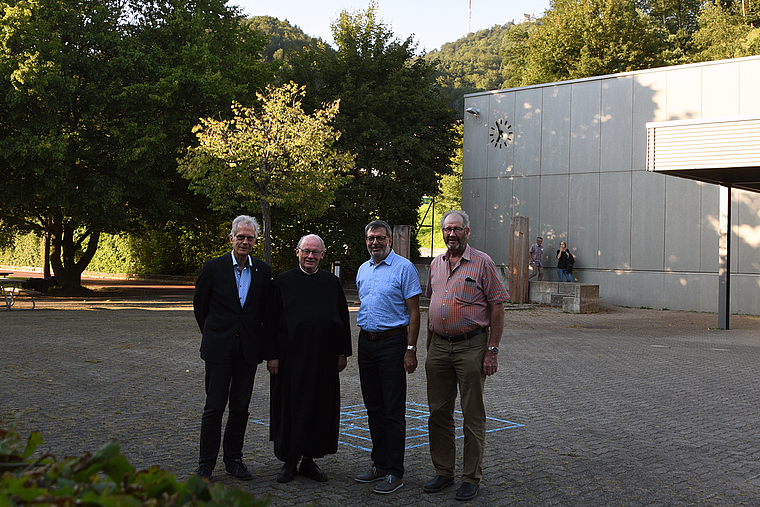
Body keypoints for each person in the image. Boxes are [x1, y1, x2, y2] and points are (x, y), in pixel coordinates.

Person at [424, 210, 509, 501]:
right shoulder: (435, 264)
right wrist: (428, 345)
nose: (451, 234)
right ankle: (443, 471)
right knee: (438, 411)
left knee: (472, 414)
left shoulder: (482, 262)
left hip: (471, 347)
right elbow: (432, 304)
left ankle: (471, 477)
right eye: (447, 229)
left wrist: (492, 350)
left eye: (457, 229)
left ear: (467, 232)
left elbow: (498, 307)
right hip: (438, 347)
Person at [267, 234, 352, 484]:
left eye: (316, 252)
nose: (310, 256)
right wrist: (271, 356)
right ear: (297, 252)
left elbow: (342, 318)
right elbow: (270, 323)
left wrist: (342, 352)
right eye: (306, 251)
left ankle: (309, 460)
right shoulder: (281, 283)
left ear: (323, 255)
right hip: (289, 361)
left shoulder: (331, 283)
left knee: (318, 409)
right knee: (290, 409)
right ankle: (289, 461)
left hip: (322, 360)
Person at [193, 215, 272, 480]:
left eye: (250, 238)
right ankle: (206, 464)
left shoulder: (263, 271)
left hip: (248, 350)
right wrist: (215, 334)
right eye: (241, 237)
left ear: (255, 241)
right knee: (214, 407)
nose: (245, 241)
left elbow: (265, 311)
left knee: (240, 407)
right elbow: (200, 307)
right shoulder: (213, 268)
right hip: (219, 349)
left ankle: (233, 459)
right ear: (231, 238)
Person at [354, 220, 422, 494]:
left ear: (390, 240)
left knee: (393, 411)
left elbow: (415, 312)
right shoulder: (363, 269)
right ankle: (379, 463)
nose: (375, 243)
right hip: (366, 343)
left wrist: (411, 349)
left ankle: (395, 471)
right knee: (373, 408)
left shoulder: (404, 268)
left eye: (380, 238)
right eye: (371, 238)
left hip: (393, 343)